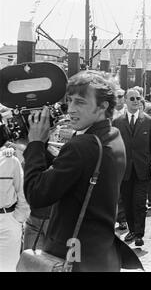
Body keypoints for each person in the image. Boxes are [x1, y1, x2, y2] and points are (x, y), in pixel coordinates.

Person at [23, 71, 142, 271]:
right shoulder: (113, 135)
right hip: (101, 255)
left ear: (103, 106)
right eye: (69, 101)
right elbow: (76, 172)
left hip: (73, 258)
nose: (70, 109)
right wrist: (43, 149)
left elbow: (36, 195)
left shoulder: (82, 146)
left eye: (80, 102)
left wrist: (35, 144)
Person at [112, 88, 151, 246]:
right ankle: (132, 230)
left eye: (137, 98)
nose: (135, 101)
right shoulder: (117, 122)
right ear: (125, 100)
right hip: (124, 170)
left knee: (139, 203)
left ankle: (139, 234)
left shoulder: (148, 121)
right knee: (127, 202)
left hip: (142, 169)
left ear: (141, 100)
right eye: (131, 98)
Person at [0, 131, 30, 271]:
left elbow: (22, 191)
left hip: (7, 219)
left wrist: (18, 218)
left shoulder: (10, 160)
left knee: (8, 266)